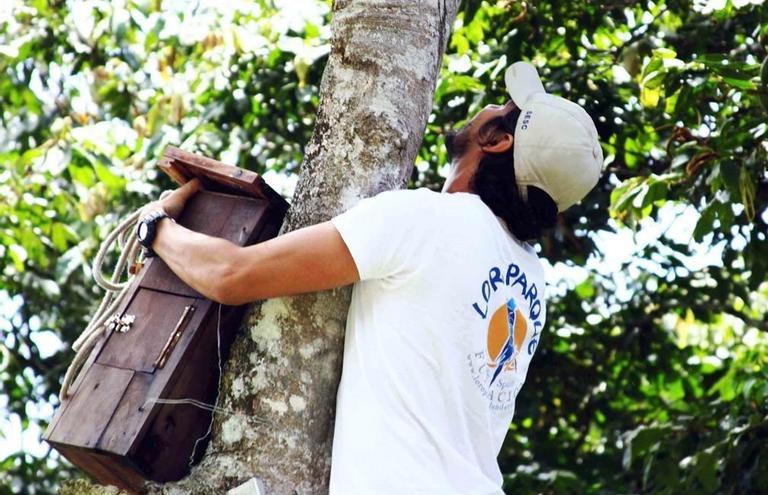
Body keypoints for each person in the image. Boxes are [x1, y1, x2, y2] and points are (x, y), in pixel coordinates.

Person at [136, 62, 603, 494]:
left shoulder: (426, 219)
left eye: (500, 109)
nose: (487, 107)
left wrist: (156, 226)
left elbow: (231, 274)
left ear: (498, 140)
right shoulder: (532, 280)